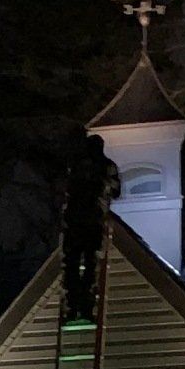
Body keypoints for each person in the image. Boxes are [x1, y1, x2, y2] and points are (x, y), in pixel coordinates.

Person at [60, 131, 119, 323]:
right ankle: (81, 307)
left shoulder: (77, 166)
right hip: (88, 222)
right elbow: (115, 191)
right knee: (87, 266)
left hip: (81, 222)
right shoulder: (103, 167)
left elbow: (65, 190)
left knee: (78, 265)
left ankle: (76, 307)